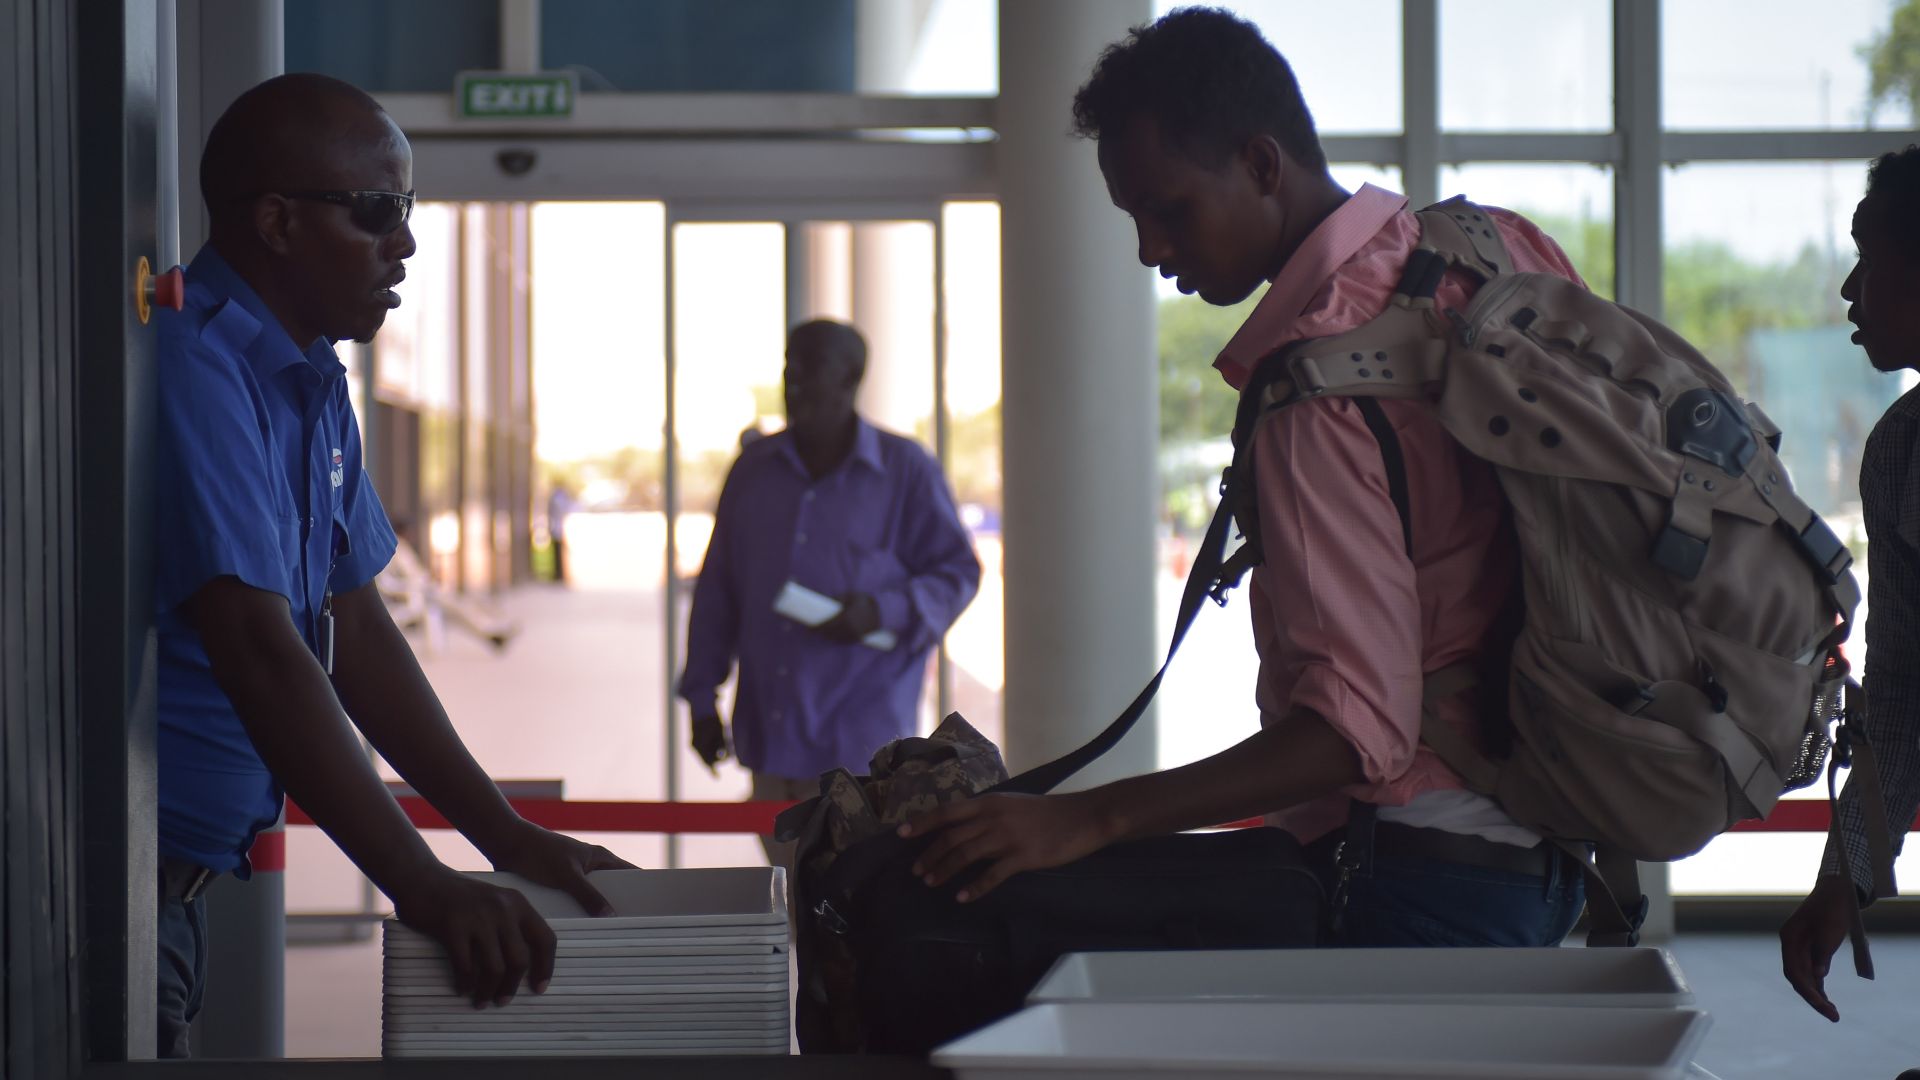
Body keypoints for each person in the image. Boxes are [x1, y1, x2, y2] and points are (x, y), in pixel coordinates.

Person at [902, 7, 1589, 947]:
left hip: (1414, 874)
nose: (1149, 248)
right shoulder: (1493, 251)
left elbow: (1356, 734)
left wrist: (1086, 818)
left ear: (1264, 165)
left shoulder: (1316, 384)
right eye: (1136, 219)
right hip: (1550, 850)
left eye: (1170, 208)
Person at [153, 73, 630, 1058]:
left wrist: (505, 838)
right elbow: (259, 645)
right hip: (110, 883)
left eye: (406, 211)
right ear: (278, 222)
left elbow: (357, 628)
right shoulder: (193, 364)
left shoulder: (315, 382)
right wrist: (423, 884)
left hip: (182, 883)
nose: (405, 244)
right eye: (377, 212)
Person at [679, 319, 981, 867]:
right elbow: (718, 591)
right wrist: (701, 698)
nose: (794, 384)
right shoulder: (753, 472)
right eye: (789, 367)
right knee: (792, 904)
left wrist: (880, 610)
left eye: (811, 369)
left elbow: (957, 571)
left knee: (854, 917)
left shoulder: (904, 471)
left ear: (852, 378)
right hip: (769, 739)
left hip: (863, 753)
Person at [1780, 145, 1920, 1022]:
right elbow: (1904, 690)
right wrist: (1848, 876)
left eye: (1871, 256)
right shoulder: (1901, 452)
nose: (1848, 290)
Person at [546, 484, 576, 586]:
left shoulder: (556, 498)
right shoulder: (560, 498)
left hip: (557, 528)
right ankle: (559, 574)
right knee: (558, 552)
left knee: (558, 552)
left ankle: (560, 574)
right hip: (557, 528)